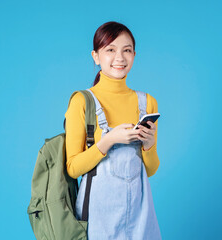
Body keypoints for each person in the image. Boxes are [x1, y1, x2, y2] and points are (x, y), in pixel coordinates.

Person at [65, 21, 162, 240]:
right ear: (96, 56)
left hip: (140, 212)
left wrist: (149, 145)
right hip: (98, 216)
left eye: (126, 50)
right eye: (110, 50)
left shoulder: (148, 103)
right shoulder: (82, 101)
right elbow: (72, 168)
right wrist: (108, 141)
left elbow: (151, 170)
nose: (119, 57)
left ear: (134, 55)